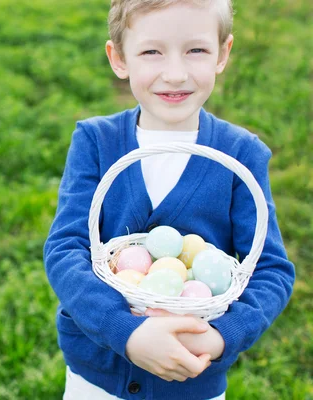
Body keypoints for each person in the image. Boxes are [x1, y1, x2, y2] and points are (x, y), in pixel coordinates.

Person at [42, 0, 295, 399]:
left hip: (191, 374)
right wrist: (126, 333)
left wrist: (218, 337)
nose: (175, 74)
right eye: (151, 51)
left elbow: (271, 270)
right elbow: (65, 249)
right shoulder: (96, 142)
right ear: (119, 58)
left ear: (222, 54)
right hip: (98, 375)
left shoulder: (241, 155)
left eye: (196, 50)